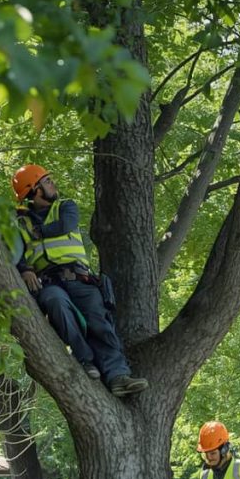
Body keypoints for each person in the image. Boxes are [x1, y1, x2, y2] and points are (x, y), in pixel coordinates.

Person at [11, 164, 148, 397]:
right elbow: (15, 253)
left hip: (79, 278)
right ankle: (85, 359)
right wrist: (24, 269)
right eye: (45, 181)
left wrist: (39, 233)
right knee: (54, 303)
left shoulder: (66, 207)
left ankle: (118, 376)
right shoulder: (20, 223)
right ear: (34, 191)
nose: (52, 184)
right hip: (49, 283)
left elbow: (66, 226)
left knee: (98, 321)